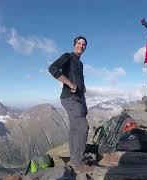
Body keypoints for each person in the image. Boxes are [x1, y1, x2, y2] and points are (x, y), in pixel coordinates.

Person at [48, 36, 93, 172]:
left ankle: (74, 159)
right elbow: (52, 68)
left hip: (79, 98)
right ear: (74, 44)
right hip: (69, 98)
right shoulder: (68, 56)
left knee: (74, 128)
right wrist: (68, 83)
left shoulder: (80, 63)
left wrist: (82, 87)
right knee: (83, 126)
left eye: (84, 44)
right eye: (79, 43)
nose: (81, 46)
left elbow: (78, 77)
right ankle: (78, 164)